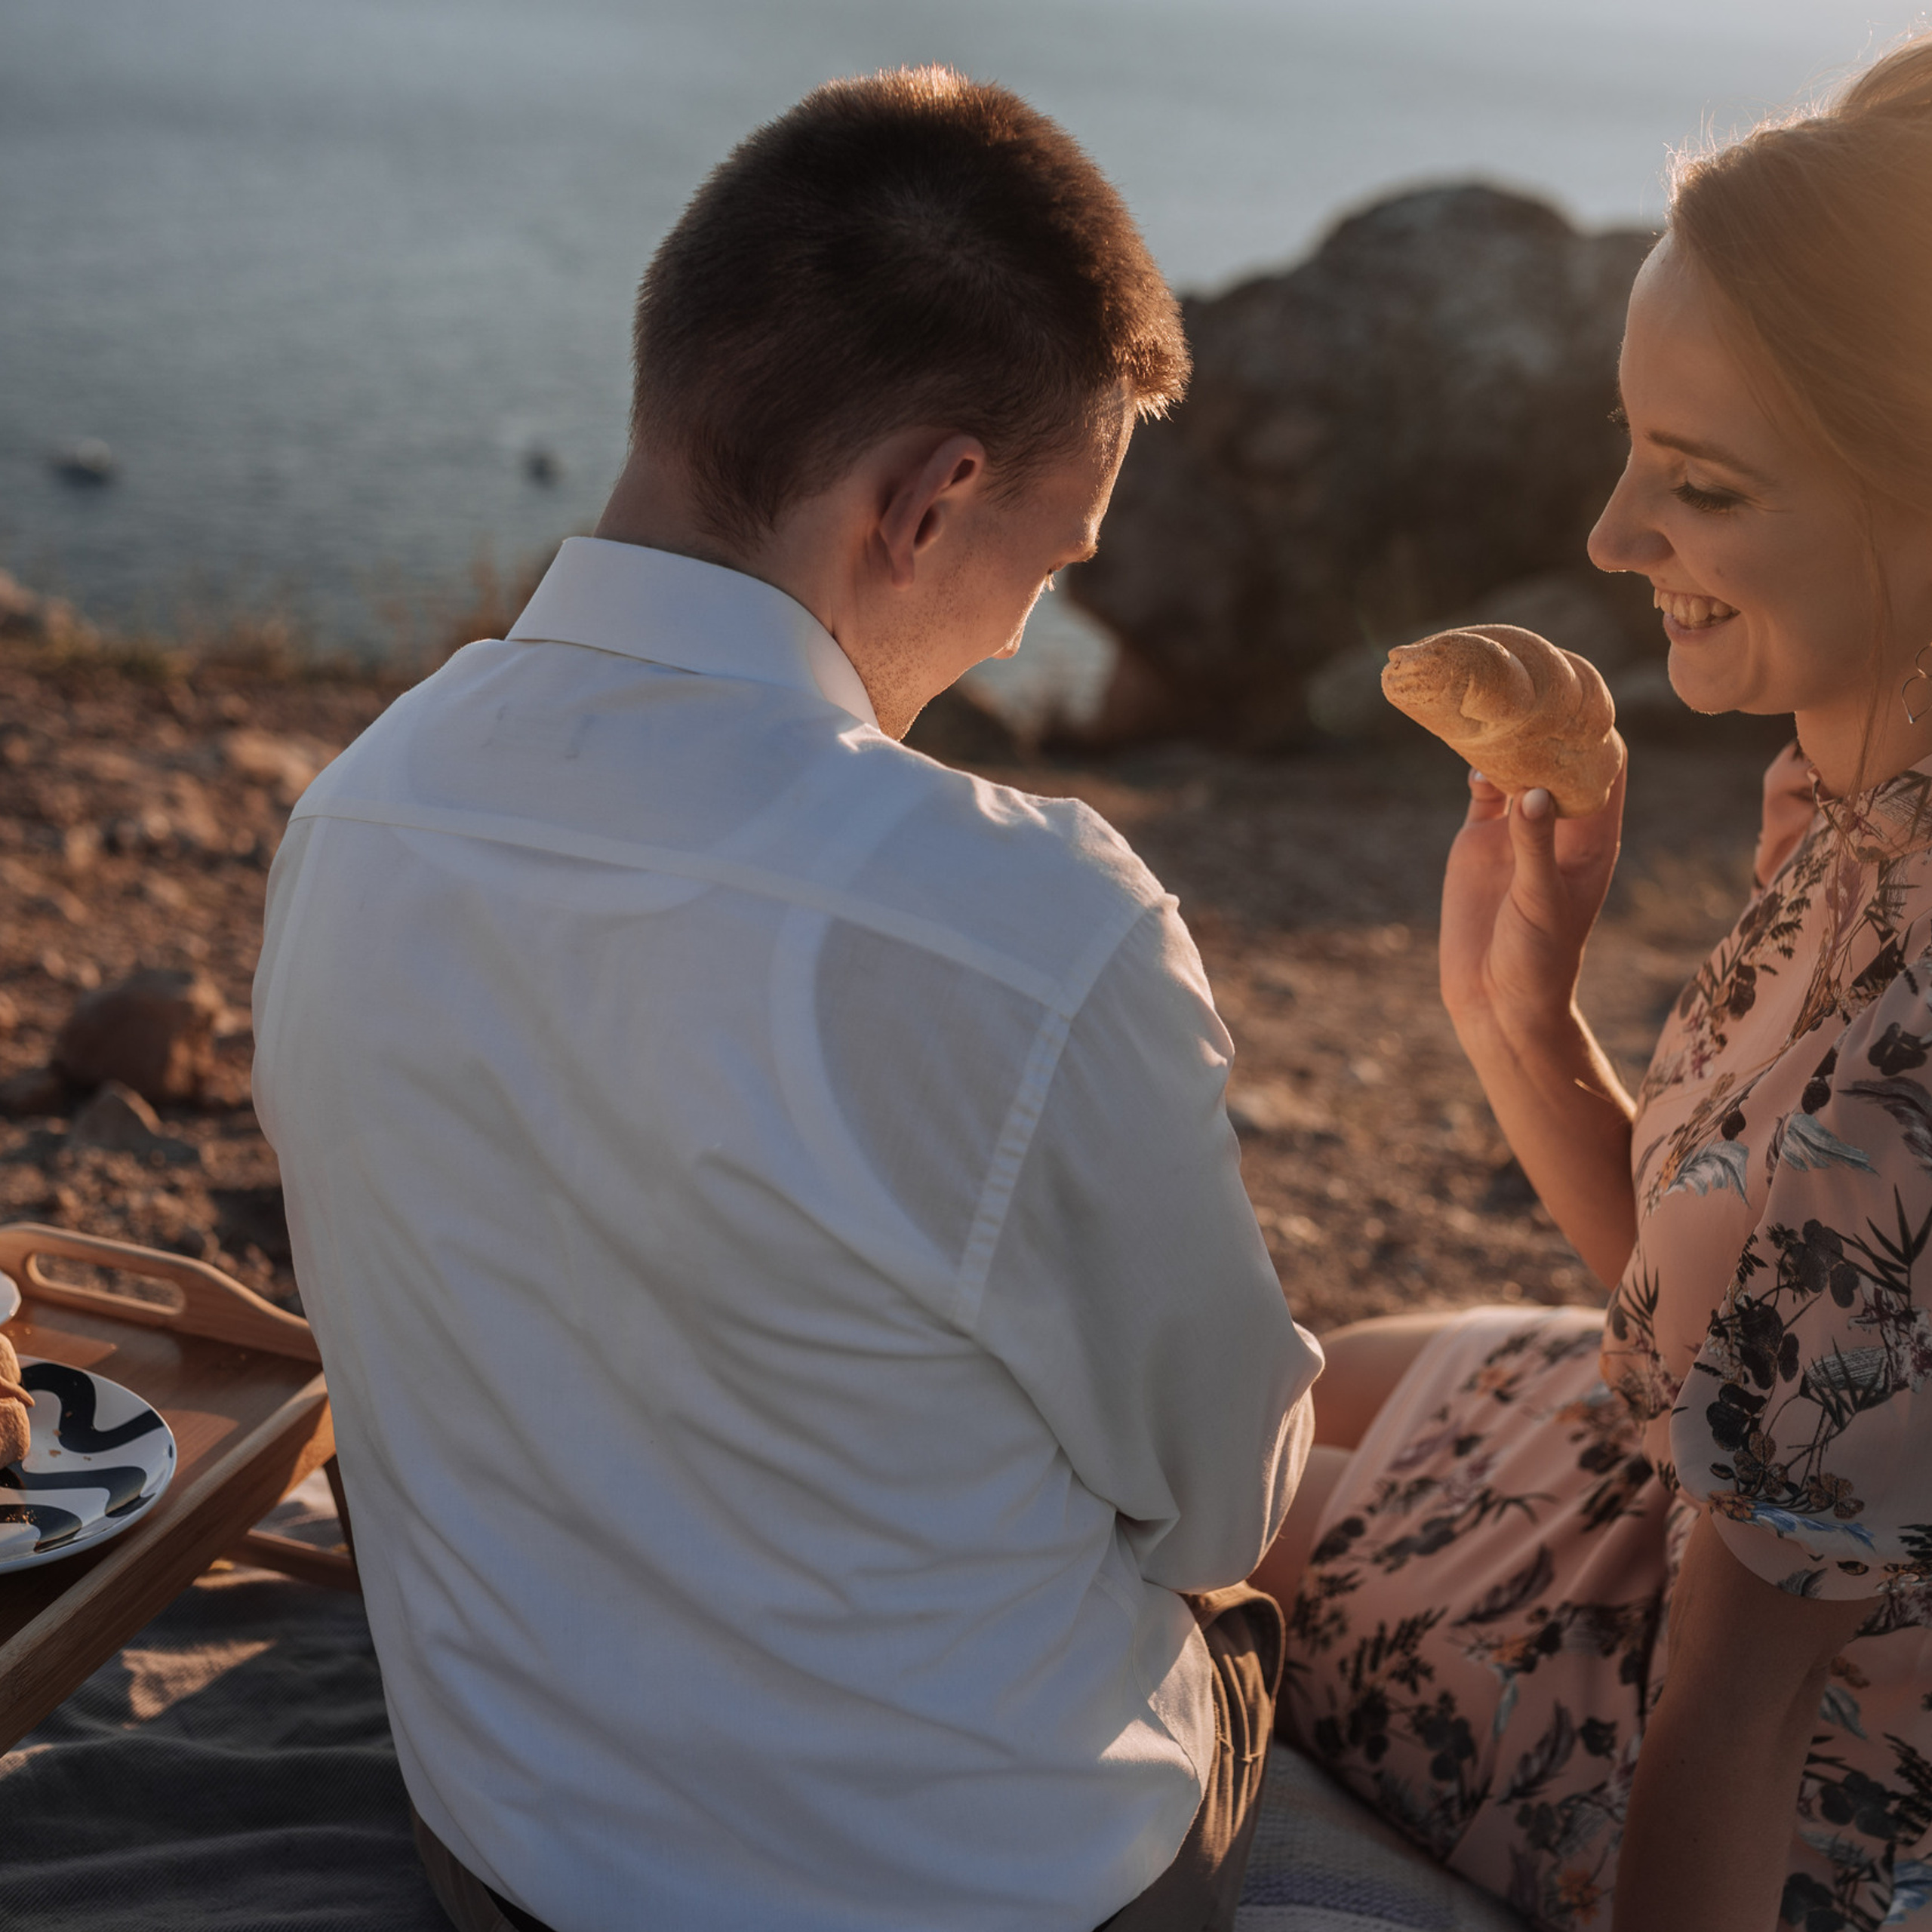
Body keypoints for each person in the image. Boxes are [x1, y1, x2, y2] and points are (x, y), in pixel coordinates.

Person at [252, 68, 1322, 1932]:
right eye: (1047, 565)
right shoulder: (1020, 921)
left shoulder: (354, 815)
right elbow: (1216, 1506)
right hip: (986, 1892)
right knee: (1262, 1573)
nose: (1018, 632)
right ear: (924, 501)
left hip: (507, 1856)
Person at [1253, 35, 1932, 1932]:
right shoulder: (1859, 772)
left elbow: (1734, 1703)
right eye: (1627, 447)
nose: (1609, 539)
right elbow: (1750, 1336)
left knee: (1180, 1505)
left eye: (1697, 487)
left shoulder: (1907, 1058)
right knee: (1291, 1375)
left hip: (1806, 1757)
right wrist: (1518, 1021)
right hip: (1705, 1493)